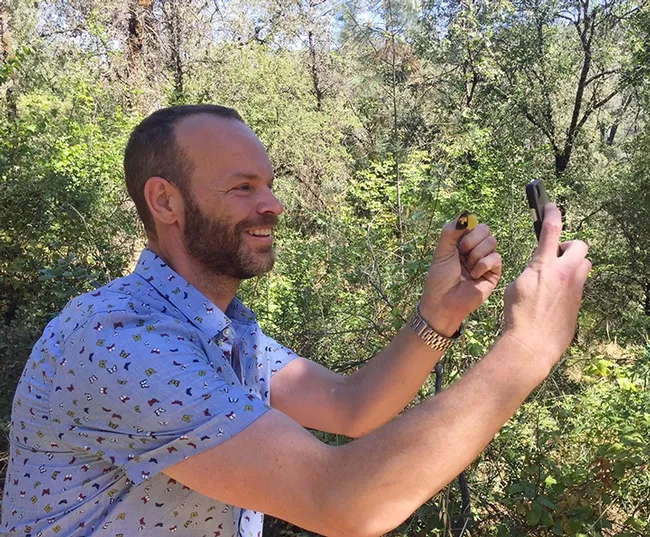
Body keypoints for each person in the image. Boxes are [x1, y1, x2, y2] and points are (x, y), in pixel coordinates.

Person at [2, 105, 591, 537]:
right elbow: (340, 500)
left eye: (269, 185)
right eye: (242, 187)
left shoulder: (218, 330)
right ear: (166, 202)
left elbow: (351, 405)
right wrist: (528, 347)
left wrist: (438, 315)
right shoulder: (122, 342)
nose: (273, 205)